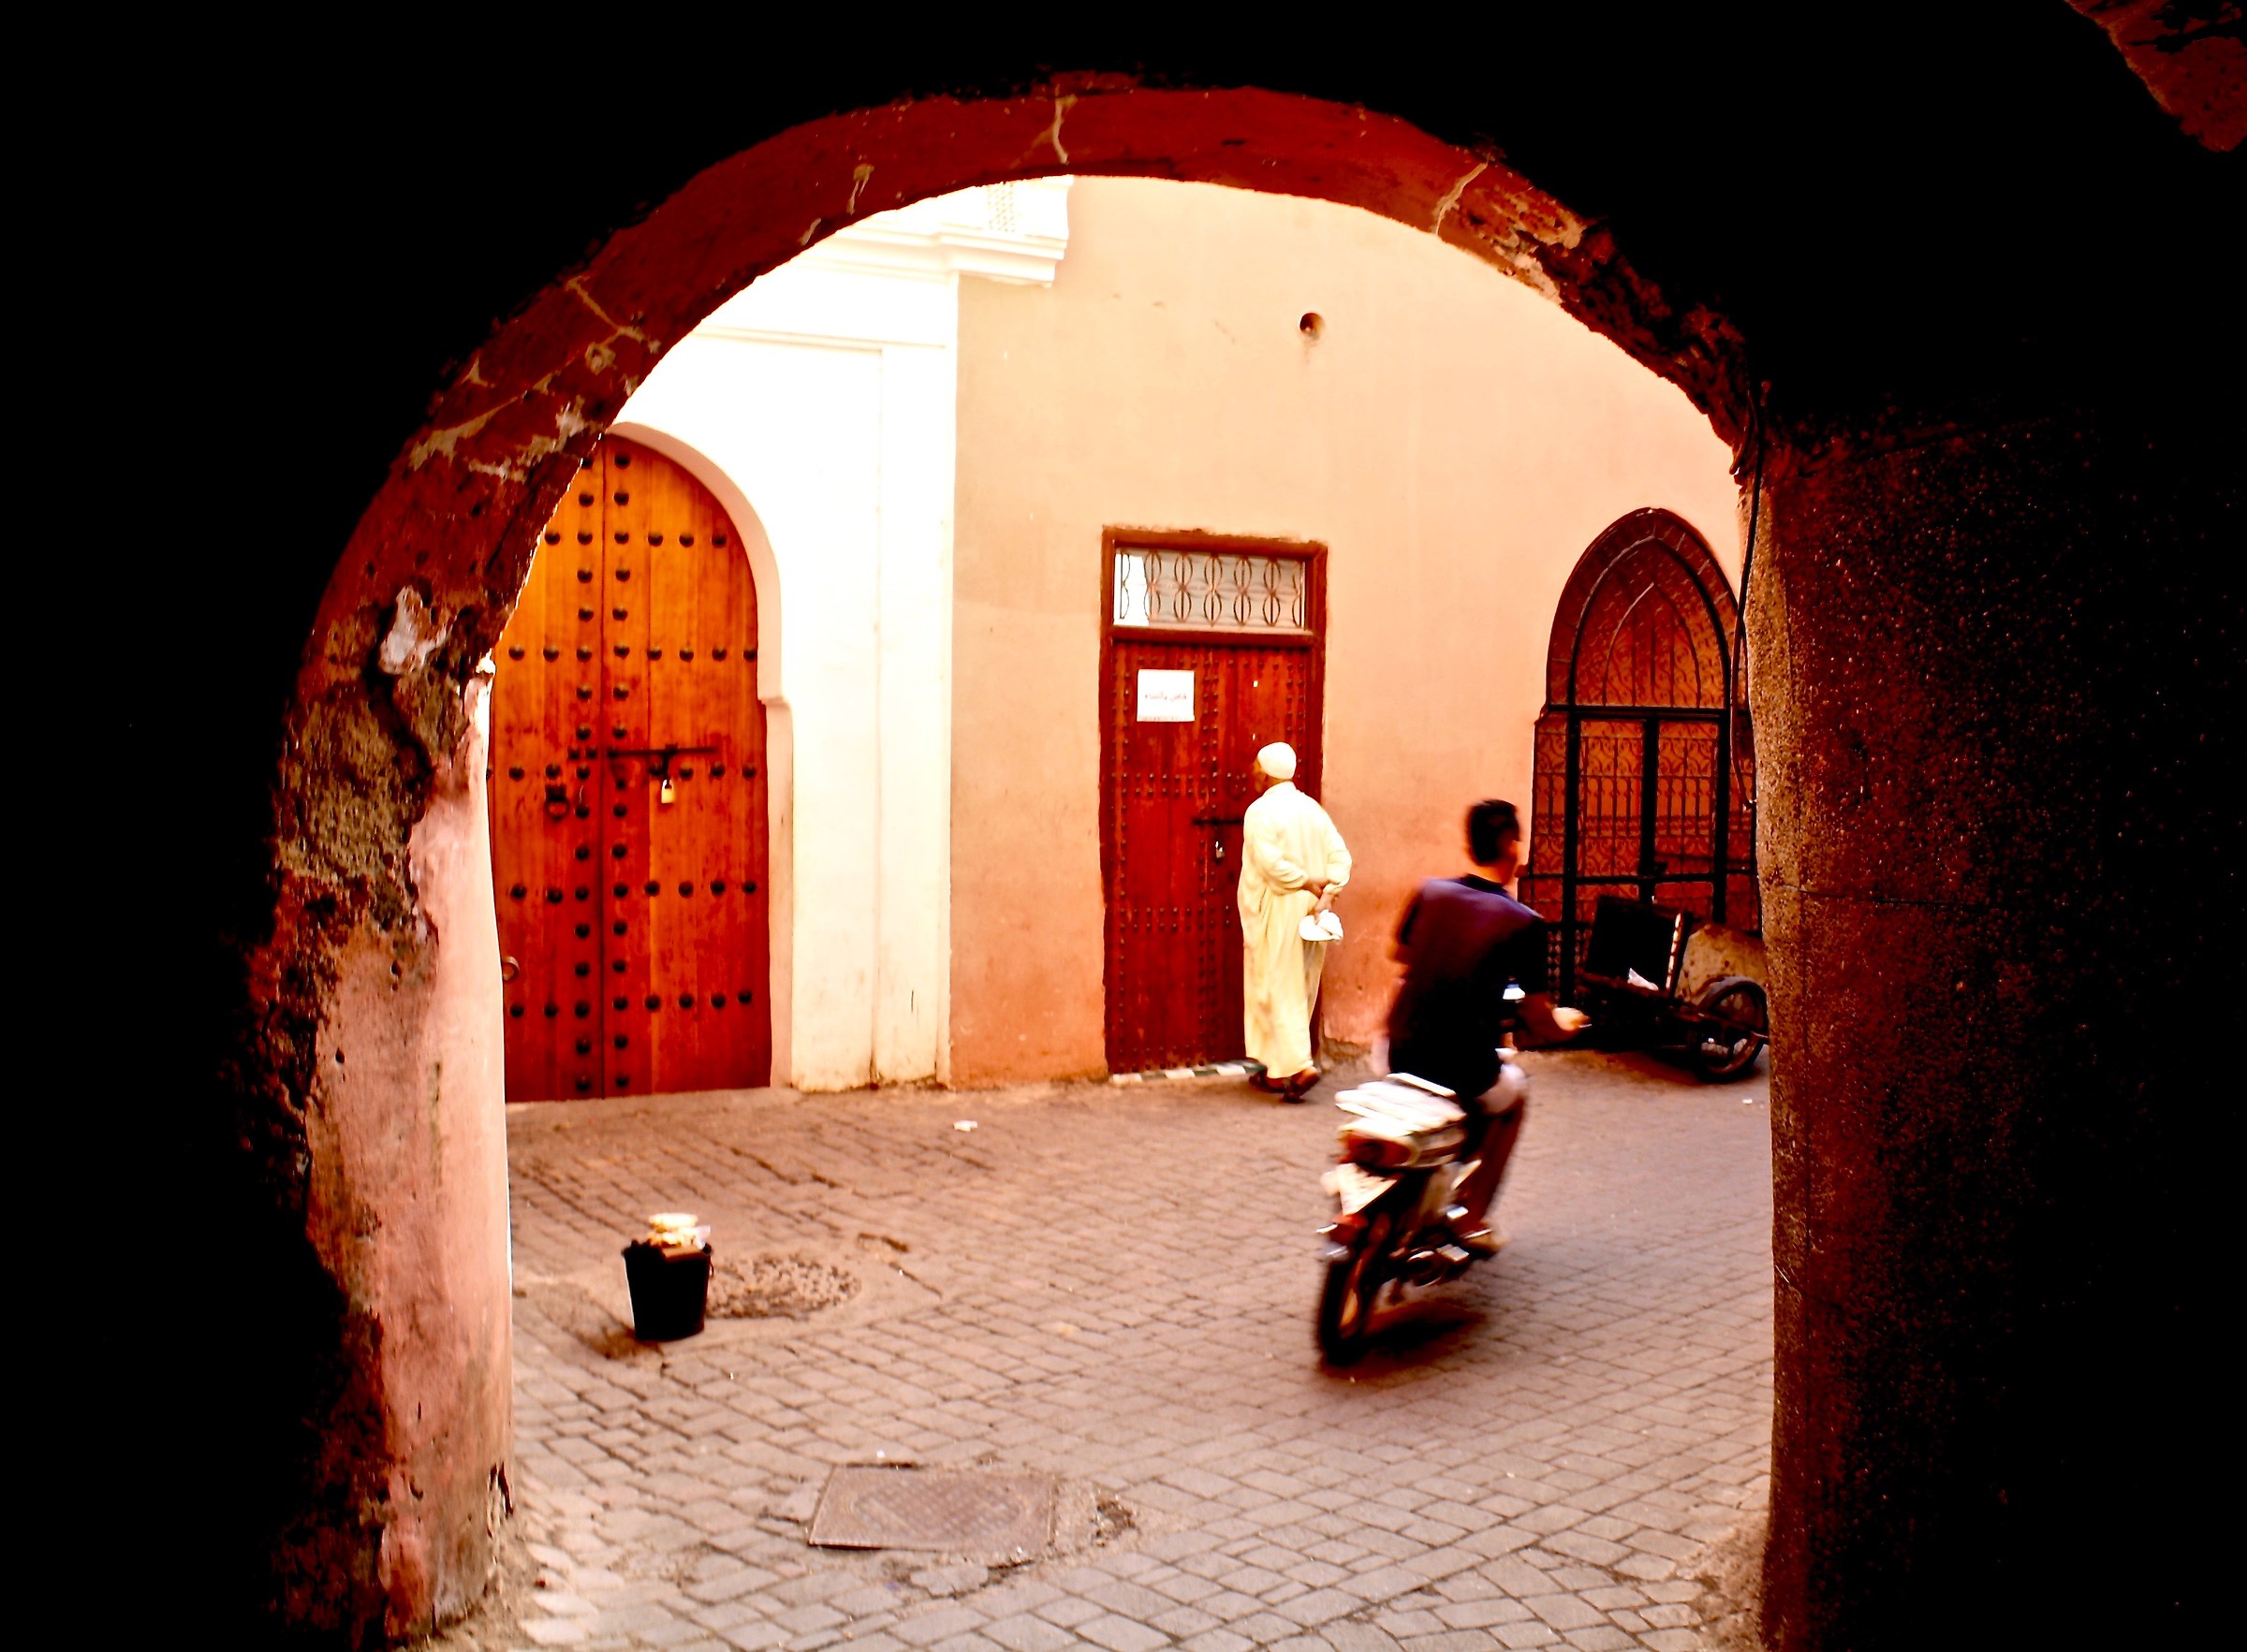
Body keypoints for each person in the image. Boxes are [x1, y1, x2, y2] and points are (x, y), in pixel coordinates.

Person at [1386, 799, 1588, 1254]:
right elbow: (1539, 1018)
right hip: (1461, 1063)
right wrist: (1568, 1026)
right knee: (1513, 1096)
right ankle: (1473, 1216)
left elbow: (1404, 956)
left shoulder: (1429, 892)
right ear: (1510, 845)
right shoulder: (1525, 922)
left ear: (1469, 844)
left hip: (1399, 1045)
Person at [1239, 741, 1352, 1100]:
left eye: (1257, 767)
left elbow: (1271, 865)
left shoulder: (1260, 811)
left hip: (1281, 906)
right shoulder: (1312, 810)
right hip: (1313, 909)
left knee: (1278, 986)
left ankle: (1300, 1067)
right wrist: (1327, 893)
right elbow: (1341, 858)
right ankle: (1277, 1071)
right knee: (1300, 985)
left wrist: (1304, 881)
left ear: (1266, 773)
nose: (1253, 772)